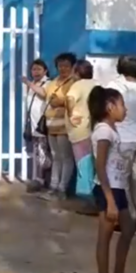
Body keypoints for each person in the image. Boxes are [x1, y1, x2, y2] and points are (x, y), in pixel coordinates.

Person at [89, 86, 136, 273]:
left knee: (128, 228)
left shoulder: (110, 130)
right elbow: (100, 166)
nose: (125, 109)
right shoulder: (103, 131)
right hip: (108, 189)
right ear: (110, 107)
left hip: (117, 188)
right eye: (122, 104)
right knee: (105, 237)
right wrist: (109, 199)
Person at [106, 56, 136, 231]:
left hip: (123, 137)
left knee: (121, 179)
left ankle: (129, 218)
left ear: (119, 68)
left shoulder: (114, 86)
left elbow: (107, 110)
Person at [41, 53, 77, 200]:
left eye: (66, 66)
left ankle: (62, 188)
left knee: (66, 157)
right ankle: (53, 186)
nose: (63, 69)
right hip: (51, 124)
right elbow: (46, 97)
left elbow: (76, 101)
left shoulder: (74, 82)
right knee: (56, 156)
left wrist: (61, 102)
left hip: (65, 125)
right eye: (60, 66)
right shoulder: (53, 82)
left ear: (73, 67)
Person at [66, 60, 97, 202]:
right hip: (94, 130)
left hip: (80, 132)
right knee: (92, 165)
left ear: (77, 72)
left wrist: (71, 115)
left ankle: (87, 198)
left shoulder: (77, 85)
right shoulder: (96, 84)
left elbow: (70, 98)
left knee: (83, 165)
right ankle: (94, 197)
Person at [21, 59, 50, 192]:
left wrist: (28, 83)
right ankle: (40, 179)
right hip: (32, 124)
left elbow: (44, 94)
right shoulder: (34, 83)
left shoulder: (47, 83)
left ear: (45, 70)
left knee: (43, 153)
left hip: (42, 126)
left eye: (39, 69)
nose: (36, 72)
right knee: (38, 153)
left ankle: (42, 180)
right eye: (33, 69)